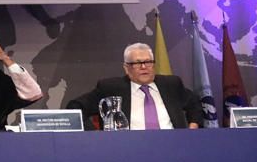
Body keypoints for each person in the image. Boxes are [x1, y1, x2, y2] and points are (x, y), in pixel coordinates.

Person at [68, 42, 202, 130]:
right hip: (128, 149)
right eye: (138, 63)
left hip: (173, 146)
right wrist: (95, 135)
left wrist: (193, 125)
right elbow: (75, 107)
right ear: (126, 68)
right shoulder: (110, 88)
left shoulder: (171, 84)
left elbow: (195, 102)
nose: (144, 67)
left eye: (148, 62)